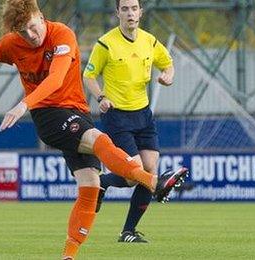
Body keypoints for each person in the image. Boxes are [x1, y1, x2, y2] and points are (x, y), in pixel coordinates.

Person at [0, 0, 187, 259]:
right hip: (48, 115)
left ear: (41, 17)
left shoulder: (62, 34)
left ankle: (68, 255)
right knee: (99, 140)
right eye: (22, 32)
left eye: (32, 27)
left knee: (90, 184)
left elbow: (55, 78)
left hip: (77, 112)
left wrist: (21, 106)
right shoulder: (10, 43)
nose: (30, 36)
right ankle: (155, 182)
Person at [82, 0, 175, 244]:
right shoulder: (105, 43)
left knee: (149, 170)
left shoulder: (150, 41)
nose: (130, 13)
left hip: (143, 114)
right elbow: (89, 75)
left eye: (134, 8)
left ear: (141, 12)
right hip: (117, 116)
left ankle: (128, 232)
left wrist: (167, 76)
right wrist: (100, 96)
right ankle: (102, 182)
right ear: (117, 13)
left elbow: (168, 63)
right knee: (136, 175)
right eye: (125, 9)